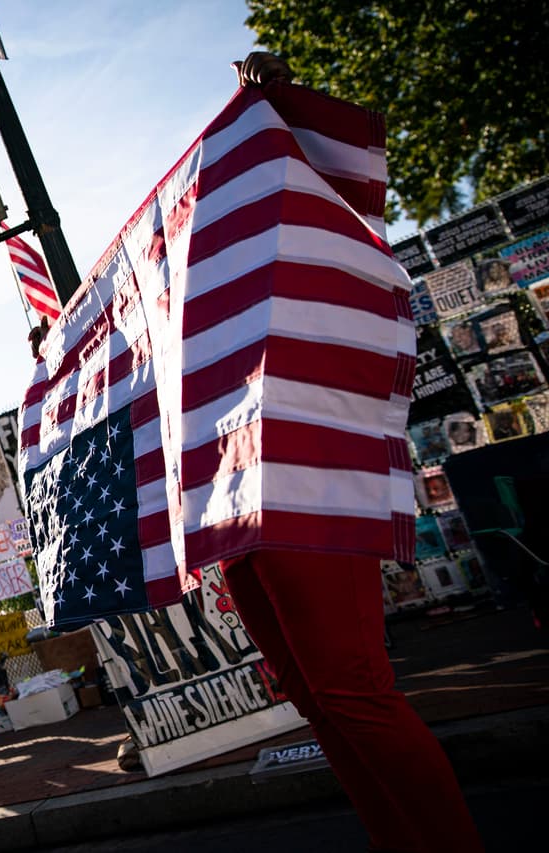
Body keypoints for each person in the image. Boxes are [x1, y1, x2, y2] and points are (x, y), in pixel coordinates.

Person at [220, 52, 485, 853]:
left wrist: (267, 112)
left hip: (306, 480)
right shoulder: (211, 300)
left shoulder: (302, 260)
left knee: (353, 690)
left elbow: (324, 203)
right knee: (315, 695)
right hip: (238, 497)